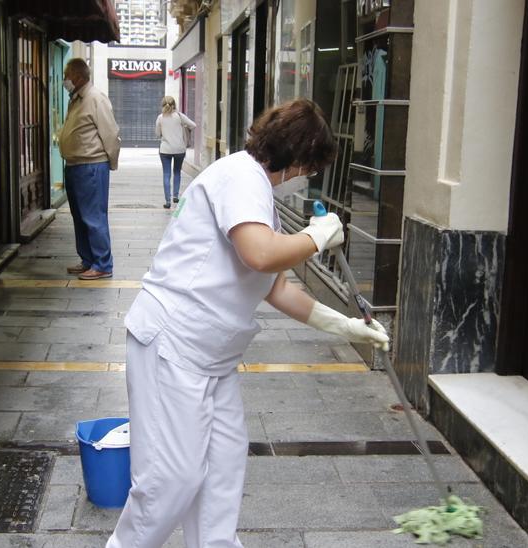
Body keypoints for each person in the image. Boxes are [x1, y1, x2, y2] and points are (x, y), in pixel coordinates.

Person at [106, 99, 391, 548]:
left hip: (211, 356)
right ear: (295, 156)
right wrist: (315, 237)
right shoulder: (241, 177)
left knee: (221, 471)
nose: (304, 178)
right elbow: (258, 253)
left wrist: (345, 325)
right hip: (174, 345)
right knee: (171, 479)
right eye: (307, 168)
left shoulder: (253, 188)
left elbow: (275, 286)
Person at [56, 58, 121, 281]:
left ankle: (103, 264)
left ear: (79, 76)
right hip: (74, 166)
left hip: (91, 166)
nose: (65, 79)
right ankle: (88, 259)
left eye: (67, 74)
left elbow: (110, 133)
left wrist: (109, 163)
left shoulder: (95, 98)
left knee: (93, 217)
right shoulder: (76, 99)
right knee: (80, 217)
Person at [155, 96, 196, 208]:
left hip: (165, 150)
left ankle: (167, 201)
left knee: (166, 174)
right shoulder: (179, 116)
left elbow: (158, 134)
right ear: (174, 105)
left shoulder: (160, 118)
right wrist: (184, 126)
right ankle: (176, 196)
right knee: (177, 172)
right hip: (179, 149)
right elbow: (193, 125)